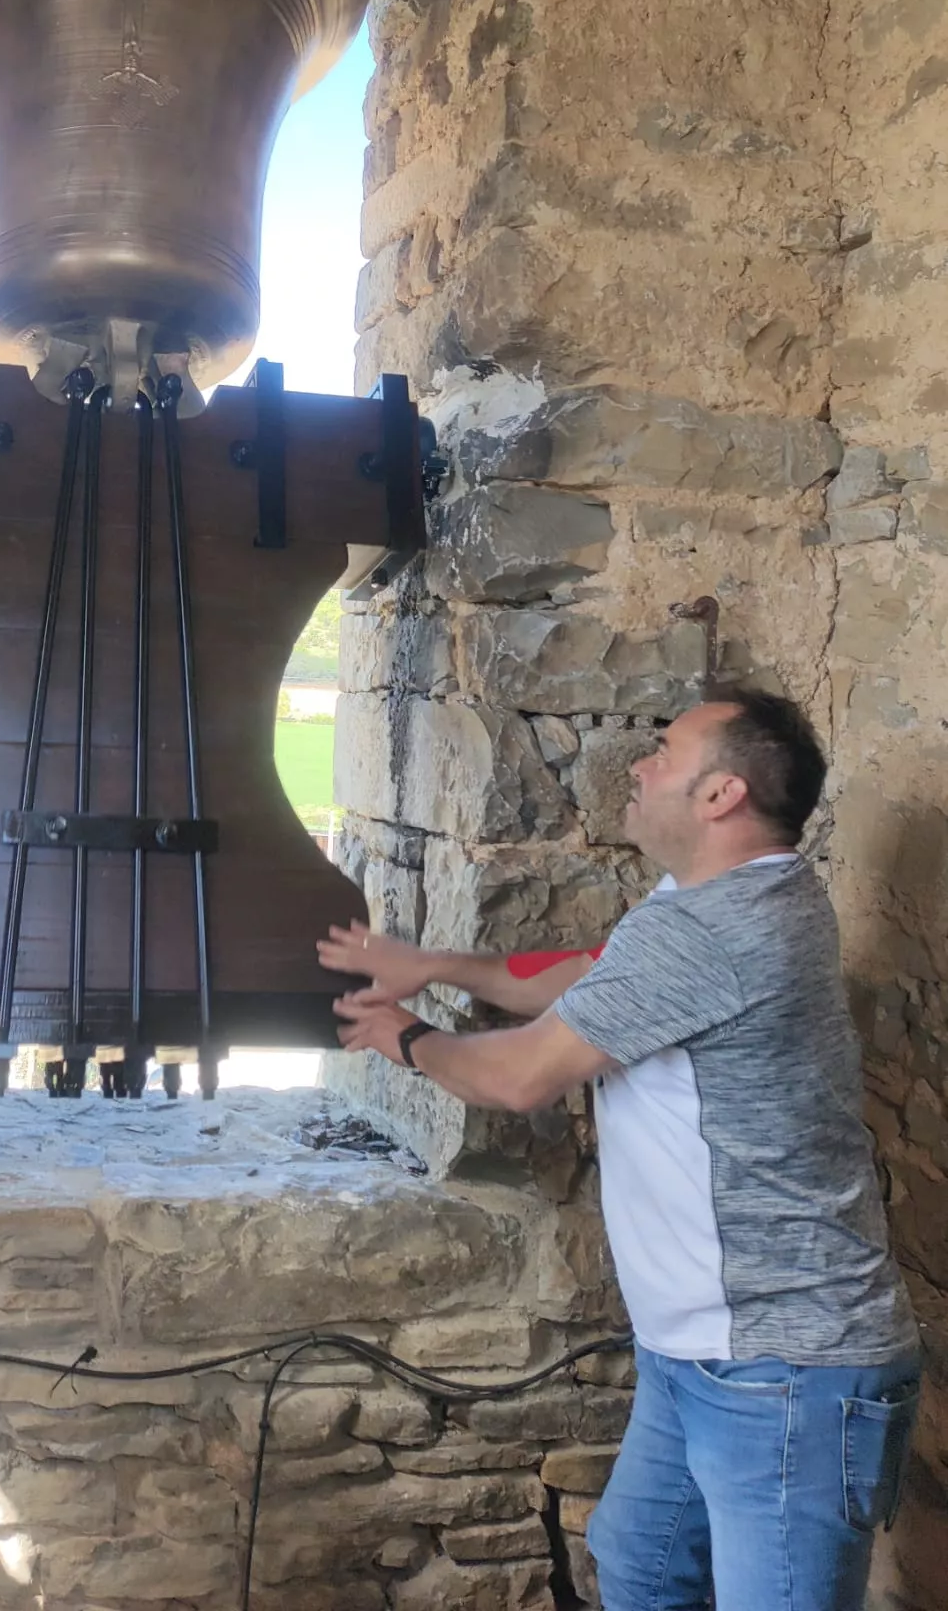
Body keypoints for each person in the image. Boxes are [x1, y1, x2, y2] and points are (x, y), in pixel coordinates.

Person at [320, 685, 919, 1611]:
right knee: (641, 1568)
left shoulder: (714, 929)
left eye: (664, 753)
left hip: (783, 1370)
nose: (638, 766)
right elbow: (590, 978)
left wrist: (401, 1036)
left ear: (720, 794)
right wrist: (433, 965)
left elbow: (521, 1076)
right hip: (704, 1354)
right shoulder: (732, 893)